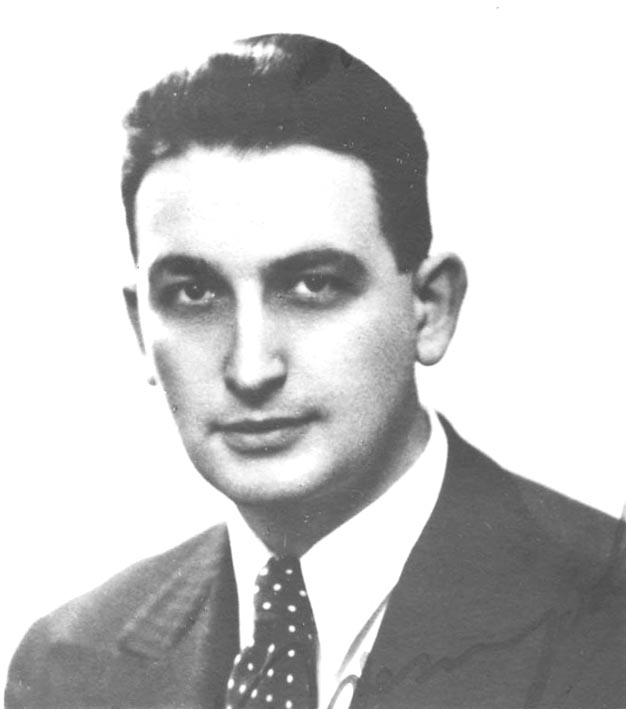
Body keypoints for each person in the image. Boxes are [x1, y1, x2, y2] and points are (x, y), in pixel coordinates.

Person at [5, 33, 624, 709]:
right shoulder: (68, 666)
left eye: (313, 285)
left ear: (430, 307)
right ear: (139, 329)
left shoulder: (606, 617)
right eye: (194, 293)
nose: (250, 368)